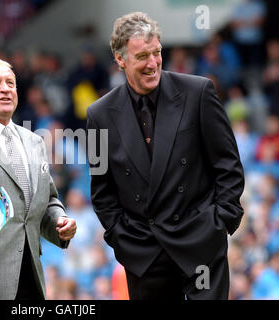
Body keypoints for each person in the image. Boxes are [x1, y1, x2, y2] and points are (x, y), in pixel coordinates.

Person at [86, 12, 244, 300]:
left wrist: (221, 222)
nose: (152, 63)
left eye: (156, 52)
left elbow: (229, 166)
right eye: (142, 56)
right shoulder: (98, 115)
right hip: (144, 256)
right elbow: (101, 191)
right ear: (120, 60)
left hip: (201, 245)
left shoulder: (199, 92)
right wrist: (121, 240)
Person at [0, 59, 77, 299]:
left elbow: (48, 199)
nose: (6, 88)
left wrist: (60, 222)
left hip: (32, 277)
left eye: (11, 83)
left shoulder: (35, 141)